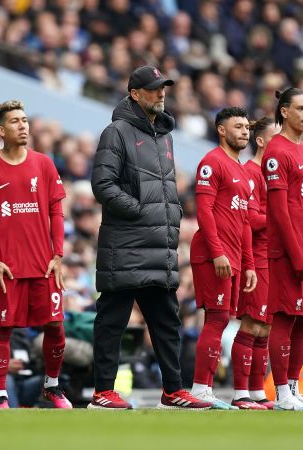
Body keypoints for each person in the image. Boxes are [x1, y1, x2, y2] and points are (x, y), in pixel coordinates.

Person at [90, 65, 210, 410]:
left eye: (163, 88)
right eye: (154, 88)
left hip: (158, 246)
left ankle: (173, 390)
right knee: (112, 321)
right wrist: (141, 211)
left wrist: (170, 218)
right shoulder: (116, 132)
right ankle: (102, 392)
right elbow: (103, 185)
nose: (161, 94)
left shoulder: (164, 136)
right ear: (134, 93)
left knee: (166, 322)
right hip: (125, 244)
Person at [0, 100, 71, 409]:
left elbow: (56, 210)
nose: (23, 125)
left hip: (44, 265)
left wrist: (58, 255)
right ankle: (1, 395)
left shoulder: (44, 163)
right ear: (0, 130)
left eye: (25, 120)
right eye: (15, 121)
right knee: (2, 329)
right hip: (8, 268)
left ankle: (52, 386)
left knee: (55, 326)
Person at [262, 88, 303, 411]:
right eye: (301, 108)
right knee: (285, 317)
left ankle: (293, 386)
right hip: (288, 253)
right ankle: (281, 393)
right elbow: (279, 212)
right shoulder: (276, 152)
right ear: (284, 111)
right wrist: (296, 254)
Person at [189, 107, 258, 410]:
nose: (245, 132)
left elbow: (244, 222)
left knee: (221, 319)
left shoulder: (243, 172)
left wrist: (250, 264)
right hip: (211, 254)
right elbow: (203, 212)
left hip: (233, 258)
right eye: (238, 126)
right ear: (221, 130)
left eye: (247, 127)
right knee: (216, 319)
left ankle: (205, 388)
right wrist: (217, 252)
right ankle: (201, 388)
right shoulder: (211, 163)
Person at [231, 116, 280, 410]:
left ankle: (257, 391)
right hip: (257, 257)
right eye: (276, 136)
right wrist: (281, 219)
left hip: (274, 259)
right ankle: (240, 393)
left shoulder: (274, 174)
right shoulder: (250, 172)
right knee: (251, 325)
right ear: (260, 140)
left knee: (265, 329)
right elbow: (248, 218)